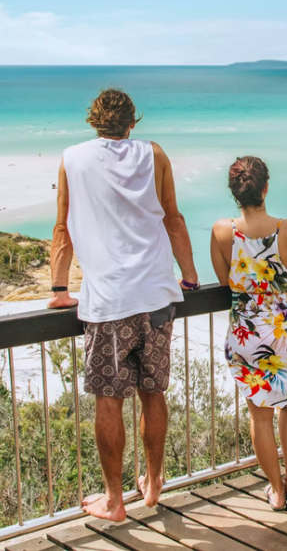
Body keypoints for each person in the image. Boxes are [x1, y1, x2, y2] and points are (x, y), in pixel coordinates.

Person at [48, 88, 199, 521]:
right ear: (133, 122)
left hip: (109, 302)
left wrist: (60, 287)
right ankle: (153, 483)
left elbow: (63, 227)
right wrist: (188, 276)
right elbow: (173, 218)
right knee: (153, 393)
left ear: (94, 121)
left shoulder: (72, 157)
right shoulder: (154, 154)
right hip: (156, 296)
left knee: (108, 400)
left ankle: (114, 501)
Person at [210, 156, 287, 511]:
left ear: (234, 194)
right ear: (266, 188)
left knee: (259, 415)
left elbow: (227, 281)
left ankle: (276, 491)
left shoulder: (222, 232)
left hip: (248, 334)